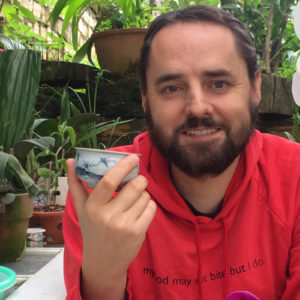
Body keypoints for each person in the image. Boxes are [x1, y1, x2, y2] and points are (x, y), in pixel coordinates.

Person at [63, 4, 300, 300]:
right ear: (146, 100)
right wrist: (102, 275)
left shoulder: (294, 179)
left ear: (255, 88)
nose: (197, 106)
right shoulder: (103, 191)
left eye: (218, 83)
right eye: (172, 88)